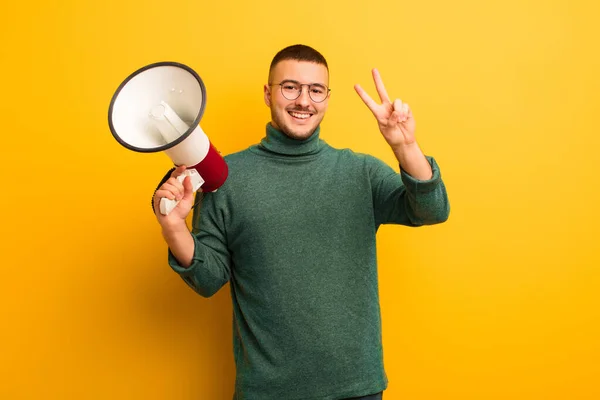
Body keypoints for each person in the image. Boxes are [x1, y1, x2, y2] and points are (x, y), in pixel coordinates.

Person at [152, 44, 450, 400]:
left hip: (356, 388)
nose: (303, 101)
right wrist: (173, 227)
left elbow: (431, 210)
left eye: (316, 90)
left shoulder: (359, 172)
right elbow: (207, 278)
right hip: (268, 391)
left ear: (326, 98)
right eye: (290, 87)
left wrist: (405, 145)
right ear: (268, 93)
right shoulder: (227, 178)